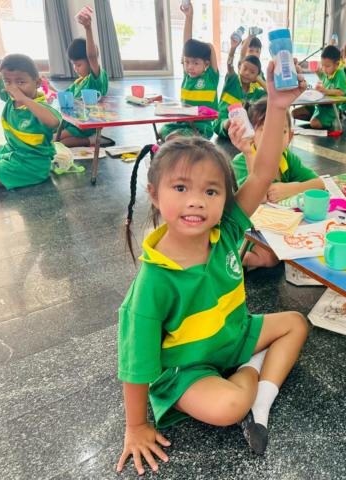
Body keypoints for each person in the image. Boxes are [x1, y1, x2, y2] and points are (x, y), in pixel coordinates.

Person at [116, 60, 309, 475]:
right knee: (228, 406)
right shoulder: (153, 281)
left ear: (225, 198)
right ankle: (249, 383)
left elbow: (262, 173)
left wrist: (277, 106)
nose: (196, 201)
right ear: (154, 194)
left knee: (296, 322)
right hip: (189, 368)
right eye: (180, 188)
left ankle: (262, 399)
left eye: (211, 191)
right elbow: (135, 363)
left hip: (235, 337)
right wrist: (136, 426)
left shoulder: (226, 229)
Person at [230, 98, 325, 268]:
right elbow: (260, 198)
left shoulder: (287, 158)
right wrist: (248, 154)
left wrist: (291, 188)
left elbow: (319, 183)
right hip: (246, 226)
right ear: (251, 134)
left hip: (277, 224)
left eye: (282, 131)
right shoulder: (242, 160)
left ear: (290, 136)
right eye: (265, 131)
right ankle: (227, 256)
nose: (273, 138)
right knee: (269, 257)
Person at [0, 55, 61, 189]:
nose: (14, 88)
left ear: (37, 83)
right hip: (13, 151)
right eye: (8, 82)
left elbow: (54, 122)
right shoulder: (10, 94)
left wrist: (24, 99)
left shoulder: (41, 108)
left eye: (20, 82)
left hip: (31, 165)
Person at [159, 1, 219, 141]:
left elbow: (210, 50)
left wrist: (207, 46)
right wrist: (188, 16)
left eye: (196, 63)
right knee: (162, 131)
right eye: (187, 62)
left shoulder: (210, 77)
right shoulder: (187, 75)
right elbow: (186, 44)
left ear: (206, 64)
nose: (190, 67)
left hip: (201, 128)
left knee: (172, 138)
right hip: (182, 123)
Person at [59, 10, 109, 147]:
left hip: (88, 123)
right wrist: (48, 88)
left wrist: (88, 28)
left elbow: (92, 56)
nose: (75, 68)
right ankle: (91, 139)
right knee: (56, 139)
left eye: (78, 64)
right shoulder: (78, 82)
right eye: (74, 64)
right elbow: (65, 96)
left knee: (56, 140)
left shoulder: (95, 78)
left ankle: (92, 139)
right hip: (75, 121)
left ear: (89, 62)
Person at [213, 34, 266, 139]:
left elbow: (271, 94)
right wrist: (233, 48)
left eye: (252, 72)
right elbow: (229, 65)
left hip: (244, 130)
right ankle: (231, 124)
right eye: (245, 69)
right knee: (229, 122)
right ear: (239, 67)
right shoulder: (233, 80)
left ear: (256, 76)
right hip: (223, 122)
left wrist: (259, 79)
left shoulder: (256, 92)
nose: (247, 73)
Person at [292, 45, 346, 130]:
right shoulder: (327, 72)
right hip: (318, 106)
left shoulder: (339, 73)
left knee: (314, 124)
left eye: (327, 66)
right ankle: (316, 117)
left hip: (329, 109)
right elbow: (322, 77)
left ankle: (331, 118)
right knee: (294, 113)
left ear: (337, 64)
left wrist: (325, 91)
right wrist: (317, 72)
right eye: (322, 65)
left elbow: (342, 92)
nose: (324, 69)